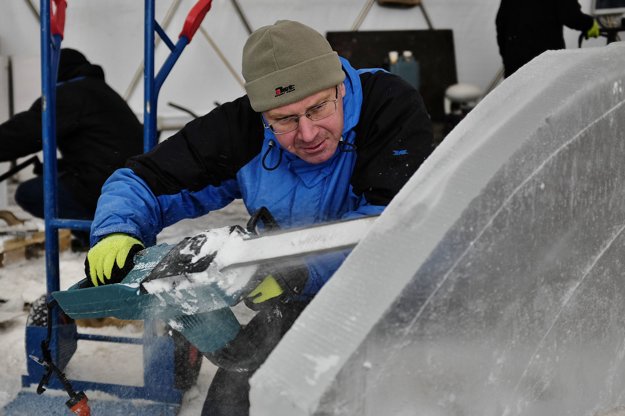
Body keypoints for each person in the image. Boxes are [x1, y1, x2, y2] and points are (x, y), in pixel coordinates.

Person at [84, 20, 434, 415]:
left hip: (396, 292)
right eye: (284, 119)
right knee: (231, 407)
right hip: (297, 298)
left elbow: (392, 223)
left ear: (339, 85)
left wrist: (301, 268)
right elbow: (142, 180)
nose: (307, 133)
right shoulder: (240, 129)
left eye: (318, 108)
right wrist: (117, 229)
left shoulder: (386, 105)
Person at [0, 48, 143, 248]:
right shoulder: (98, 90)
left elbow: (26, 132)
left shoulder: (70, 94)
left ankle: (99, 234)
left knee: (30, 193)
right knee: (54, 181)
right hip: (129, 181)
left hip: (105, 184)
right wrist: (61, 166)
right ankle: (98, 231)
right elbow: (98, 147)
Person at [496, 0, 601, 77]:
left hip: (515, 66)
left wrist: (508, 58)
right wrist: (590, 24)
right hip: (546, 64)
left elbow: (501, 23)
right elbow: (571, 16)